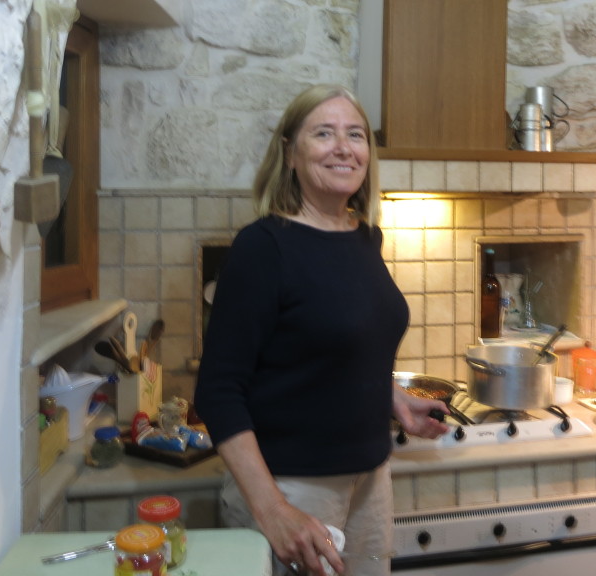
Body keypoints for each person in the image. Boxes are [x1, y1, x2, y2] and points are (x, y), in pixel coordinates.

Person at [193, 84, 450, 576]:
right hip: (291, 486)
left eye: (355, 135)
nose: (343, 147)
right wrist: (274, 512)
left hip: (371, 480)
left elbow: (341, 352)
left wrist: (392, 399)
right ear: (290, 153)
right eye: (324, 133)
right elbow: (219, 391)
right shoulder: (263, 247)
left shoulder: (365, 237)